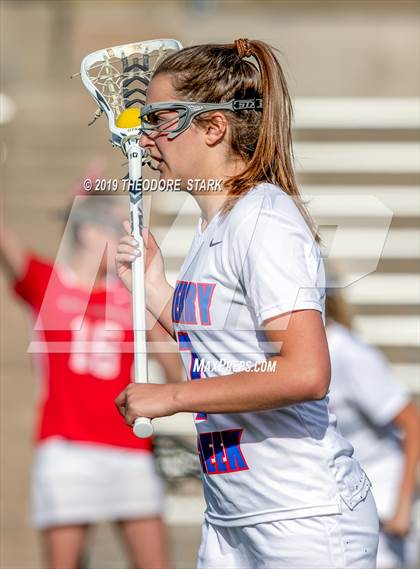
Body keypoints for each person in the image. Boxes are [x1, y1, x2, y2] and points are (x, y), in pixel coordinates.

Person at [115, 39, 379, 568]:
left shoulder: (264, 220)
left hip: (301, 520)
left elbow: (305, 372)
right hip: (233, 520)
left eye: (162, 119)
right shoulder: (217, 225)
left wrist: (171, 397)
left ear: (214, 127)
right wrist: (155, 290)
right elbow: (223, 345)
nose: (145, 137)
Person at [0, 194, 171, 569]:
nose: (126, 238)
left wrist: (151, 306)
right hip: (67, 450)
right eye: (115, 227)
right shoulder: (47, 284)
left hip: (129, 448)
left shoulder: (132, 293)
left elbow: (177, 375)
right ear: (89, 231)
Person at [325, 286, 419, 569]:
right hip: (342, 499)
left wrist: (402, 506)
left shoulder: (348, 354)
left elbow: (412, 424)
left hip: (380, 501)